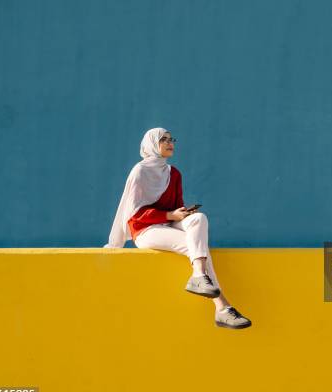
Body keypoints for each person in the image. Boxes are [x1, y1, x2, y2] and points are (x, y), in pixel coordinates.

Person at [104, 127, 251, 329]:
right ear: (151, 145)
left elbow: (175, 207)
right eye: (163, 139)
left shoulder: (174, 174)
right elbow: (133, 216)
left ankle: (199, 276)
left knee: (198, 219)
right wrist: (169, 216)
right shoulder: (140, 171)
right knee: (197, 247)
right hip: (146, 231)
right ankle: (222, 307)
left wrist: (181, 213)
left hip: (168, 223)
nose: (169, 142)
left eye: (171, 139)